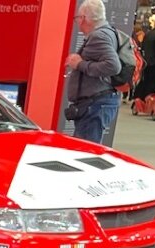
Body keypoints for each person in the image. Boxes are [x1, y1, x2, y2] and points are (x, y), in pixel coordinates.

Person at [65, 0, 121, 144]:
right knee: (85, 147)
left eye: (78, 18)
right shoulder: (108, 32)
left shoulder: (98, 36)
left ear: (84, 18)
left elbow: (113, 66)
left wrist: (80, 64)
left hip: (95, 105)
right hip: (97, 103)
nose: (78, 22)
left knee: (85, 149)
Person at [137, 19, 155, 99]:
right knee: (153, 82)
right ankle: (148, 98)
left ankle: (141, 97)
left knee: (145, 81)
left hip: (146, 61)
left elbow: (143, 46)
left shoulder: (148, 34)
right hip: (154, 63)